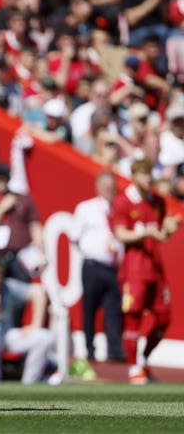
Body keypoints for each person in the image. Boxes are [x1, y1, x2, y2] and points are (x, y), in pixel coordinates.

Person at [110, 158, 181, 384]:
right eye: (143, 174)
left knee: (163, 318)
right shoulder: (123, 201)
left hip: (155, 269)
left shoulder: (156, 201)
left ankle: (143, 359)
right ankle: (133, 369)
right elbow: (120, 234)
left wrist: (169, 229)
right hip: (134, 269)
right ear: (134, 175)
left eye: (150, 174)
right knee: (133, 317)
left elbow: (161, 232)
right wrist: (145, 233)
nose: (147, 179)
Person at [70, 172, 126, 362]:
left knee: (113, 310)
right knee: (90, 308)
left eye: (112, 185)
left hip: (113, 267)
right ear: (98, 186)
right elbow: (75, 237)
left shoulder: (119, 208)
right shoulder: (86, 208)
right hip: (93, 265)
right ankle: (89, 349)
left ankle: (115, 350)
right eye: (105, 184)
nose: (109, 189)